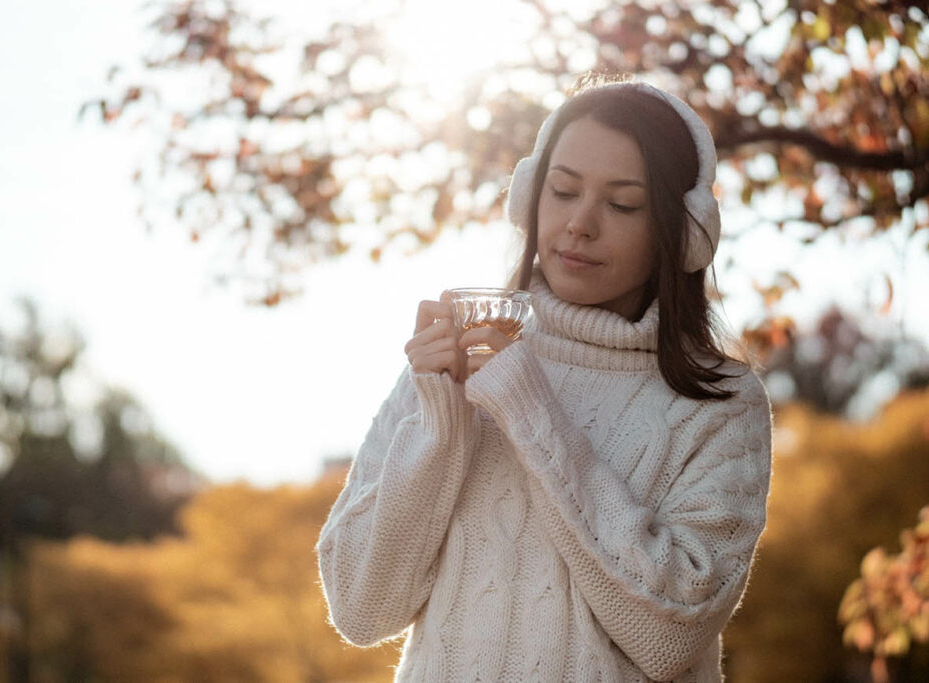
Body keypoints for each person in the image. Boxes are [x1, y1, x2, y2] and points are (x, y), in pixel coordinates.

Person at [316, 76, 773, 682]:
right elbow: (360, 609)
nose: (580, 224)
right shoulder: (453, 361)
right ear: (529, 195)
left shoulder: (721, 405)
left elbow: (671, 633)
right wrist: (441, 423)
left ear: (682, 231)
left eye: (622, 203)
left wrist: (528, 408)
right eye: (562, 191)